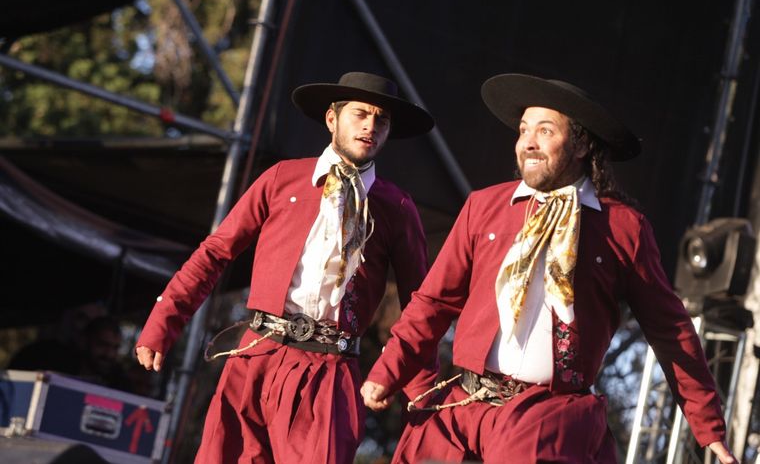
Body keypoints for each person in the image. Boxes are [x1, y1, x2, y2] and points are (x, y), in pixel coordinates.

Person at [361, 74, 735, 463]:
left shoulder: (624, 228)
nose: (529, 142)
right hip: (465, 401)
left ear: (581, 144)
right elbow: (433, 303)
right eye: (524, 130)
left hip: (547, 416)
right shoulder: (484, 206)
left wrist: (708, 428)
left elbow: (670, 330)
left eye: (545, 130)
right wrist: (387, 371)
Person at [135, 72, 437, 464]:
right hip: (255, 356)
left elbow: (423, 305)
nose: (370, 126)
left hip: (328, 370)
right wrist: (164, 319)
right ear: (332, 119)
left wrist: (422, 391)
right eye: (361, 114)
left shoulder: (395, 206)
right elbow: (216, 252)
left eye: (382, 119)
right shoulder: (283, 178)